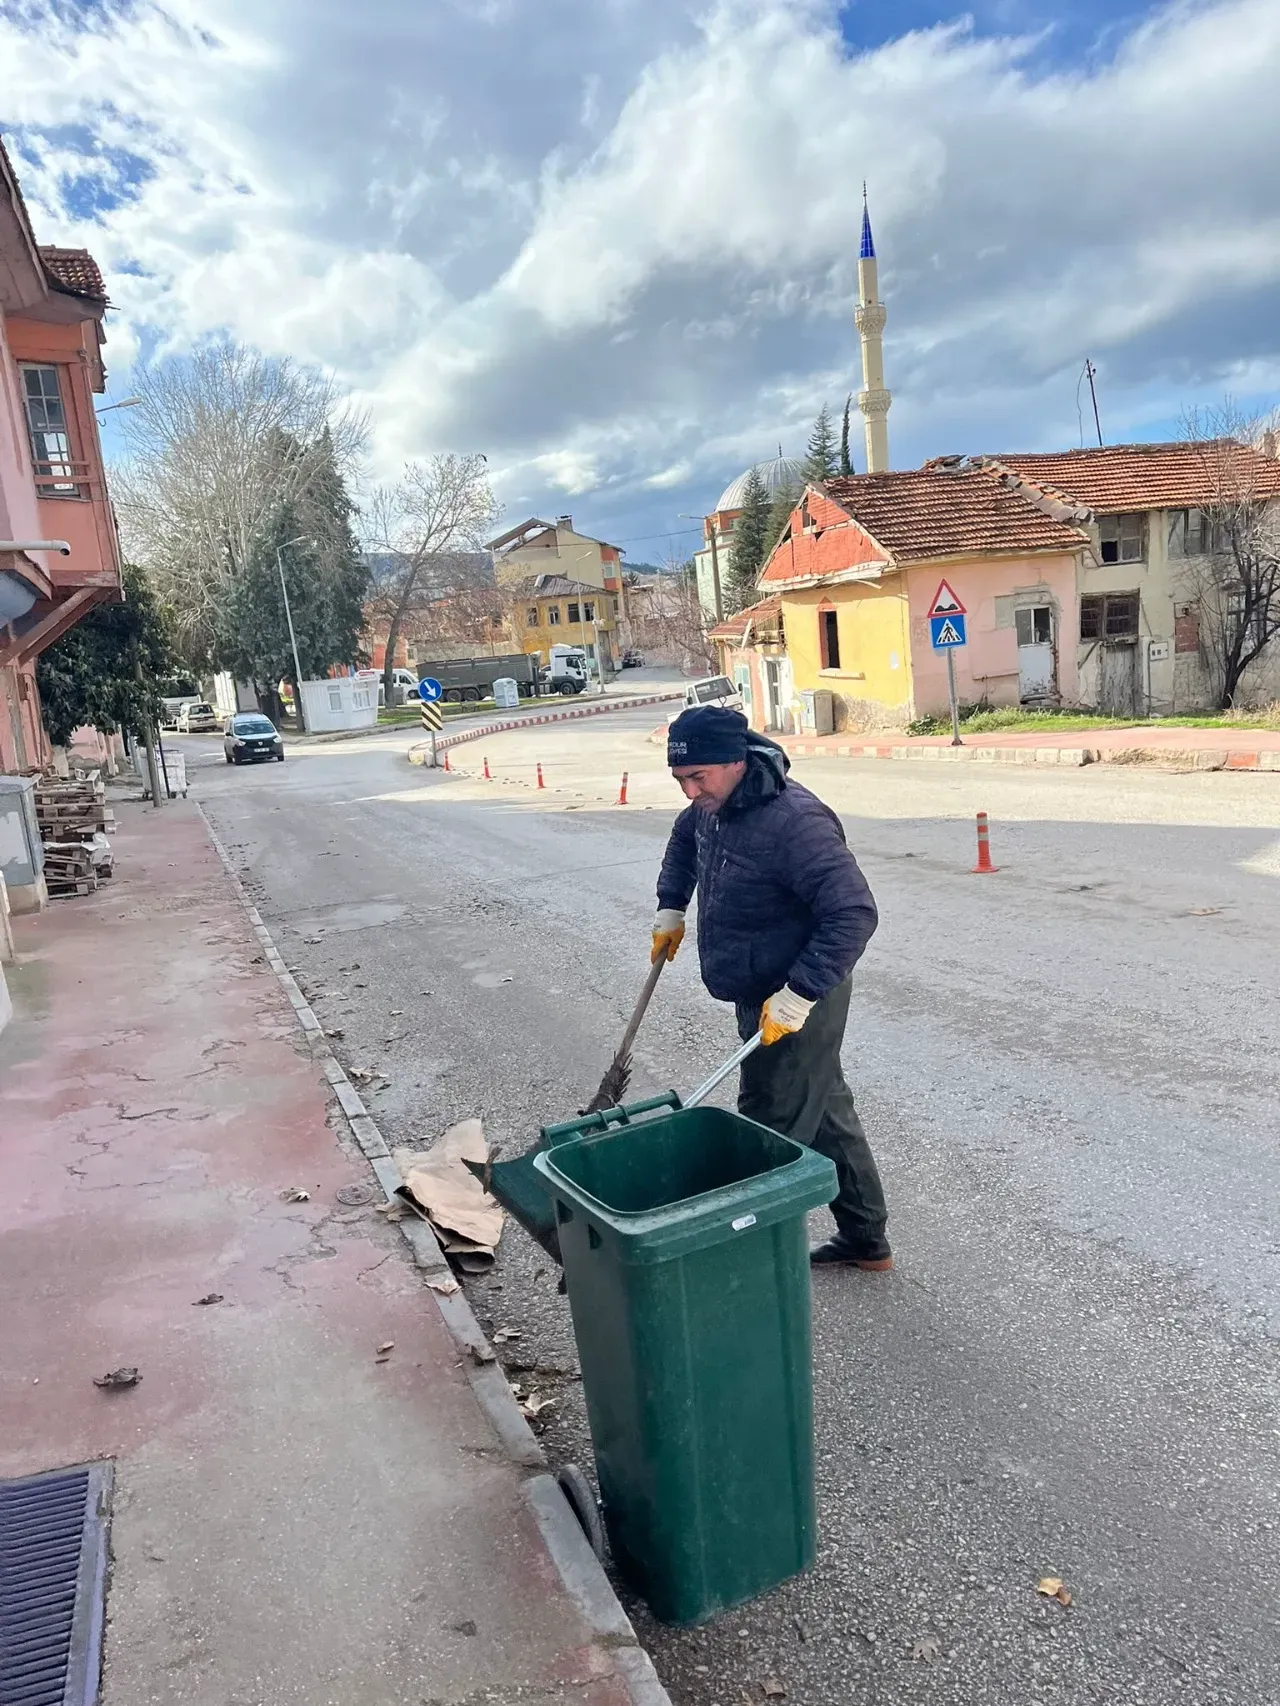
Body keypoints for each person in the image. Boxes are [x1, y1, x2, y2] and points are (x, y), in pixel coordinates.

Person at [652, 704, 890, 1269]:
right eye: (680, 780)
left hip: (801, 994)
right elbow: (684, 841)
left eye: (698, 777)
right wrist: (671, 906)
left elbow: (853, 912)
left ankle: (743, 1267)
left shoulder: (795, 822)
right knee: (827, 1109)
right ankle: (865, 1239)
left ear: (736, 762)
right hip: (758, 989)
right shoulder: (714, 806)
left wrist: (799, 994)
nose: (689, 792)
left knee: (769, 1127)